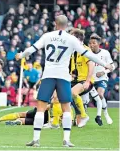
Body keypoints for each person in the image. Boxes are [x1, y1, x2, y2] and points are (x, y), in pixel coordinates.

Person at [15, 15, 113, 147]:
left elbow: (32, 49)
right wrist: (104, 64)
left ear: (55, 23)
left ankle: (36, 139)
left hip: (48, 75)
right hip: (63, 77)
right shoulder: (71, 39)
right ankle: (66, 140)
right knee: (66, 108)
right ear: (67, 25)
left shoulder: (47, 36)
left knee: (41, 107)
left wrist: (21, 55)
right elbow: (88, 54)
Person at [69, 29, 95, 128]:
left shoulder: (85, 50)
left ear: (78, 39)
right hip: (75, 80)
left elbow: (91, 65)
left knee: (72, 92)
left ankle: (84, 116)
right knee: (61, 95)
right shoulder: (73, 52)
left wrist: (88, 81)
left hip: (85, 80)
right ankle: (73, 117)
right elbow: (73, 69)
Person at [88, 34, 115, 125]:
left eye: (94, 43)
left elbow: (113, 66)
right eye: (90, 43)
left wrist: (103, 72)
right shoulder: (87, 53)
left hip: (102, 78)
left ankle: (105, 115)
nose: (91, 45)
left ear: (98, 43)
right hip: (90, 79)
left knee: (100, 94)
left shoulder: (105, 53)